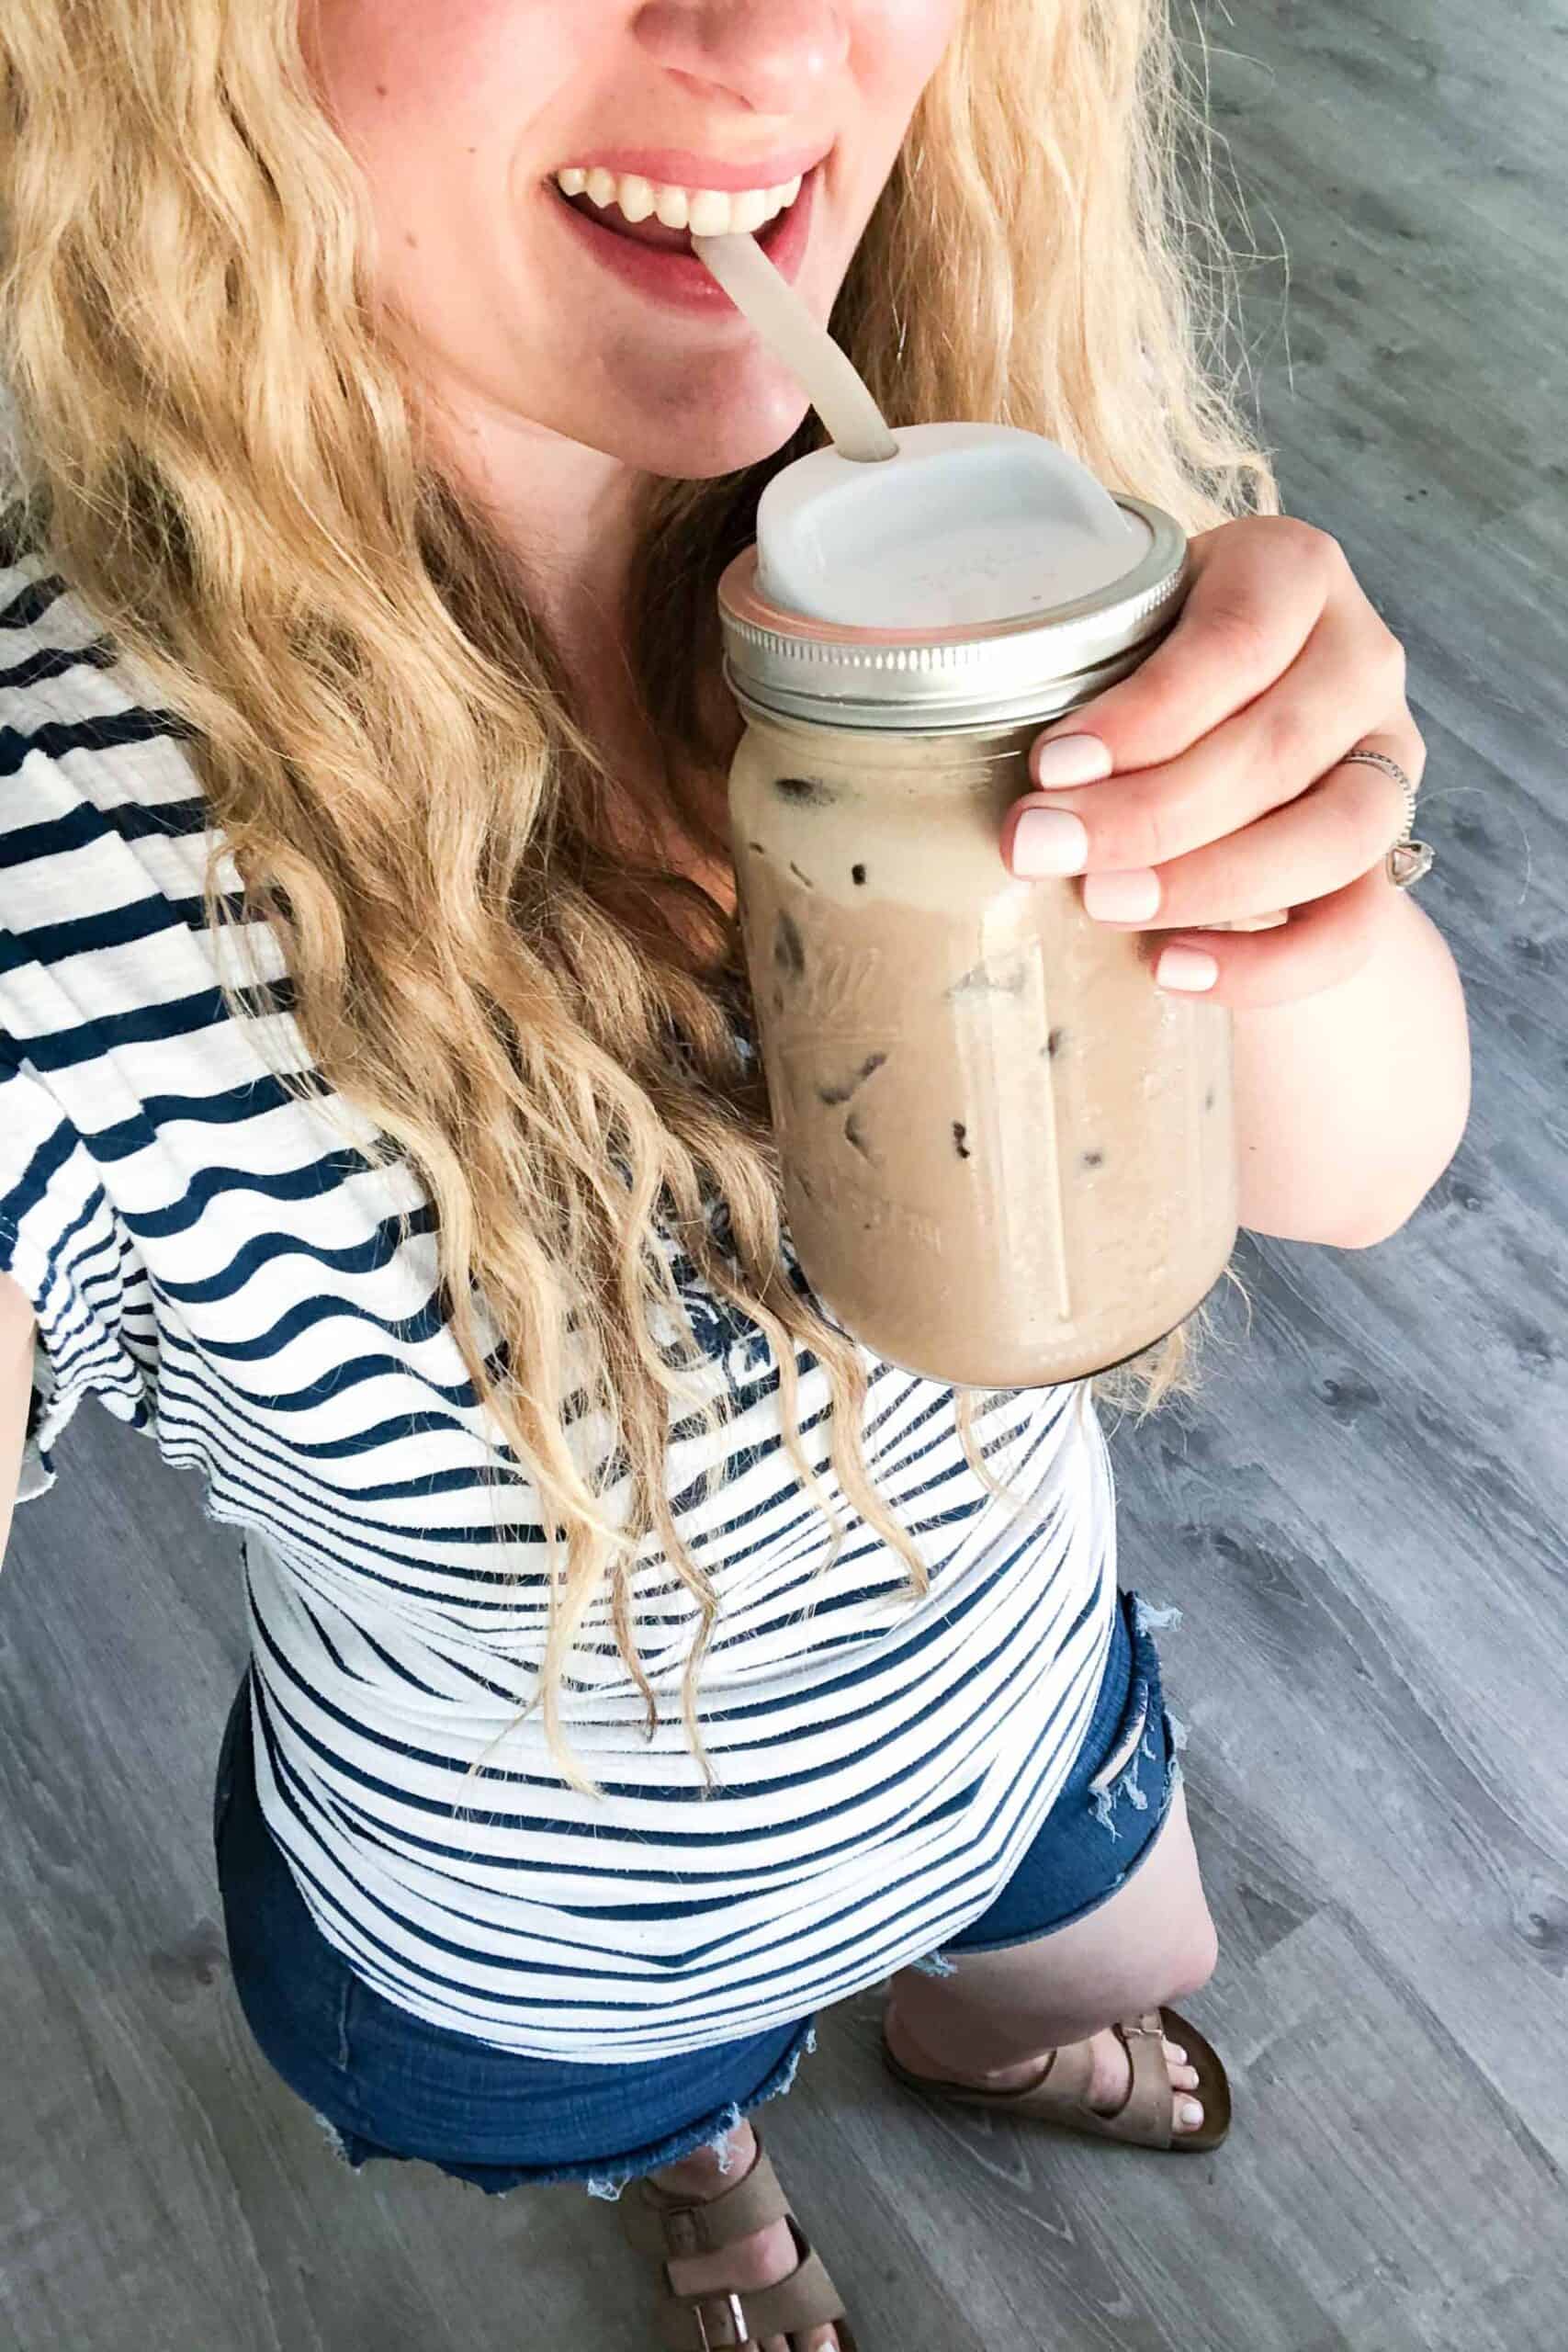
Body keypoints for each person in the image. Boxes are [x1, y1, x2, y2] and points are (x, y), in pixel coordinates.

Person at [0, 4, 1470, 2346]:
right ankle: (706, 2176)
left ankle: (986, 2018)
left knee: (1106, 1932)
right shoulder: (59, 857)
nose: (782, 32)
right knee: (658, 2096)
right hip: (528, 1950)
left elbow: (1361, 1172)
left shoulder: (1010, 576)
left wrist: (1290, 871)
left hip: (1018, 1719)